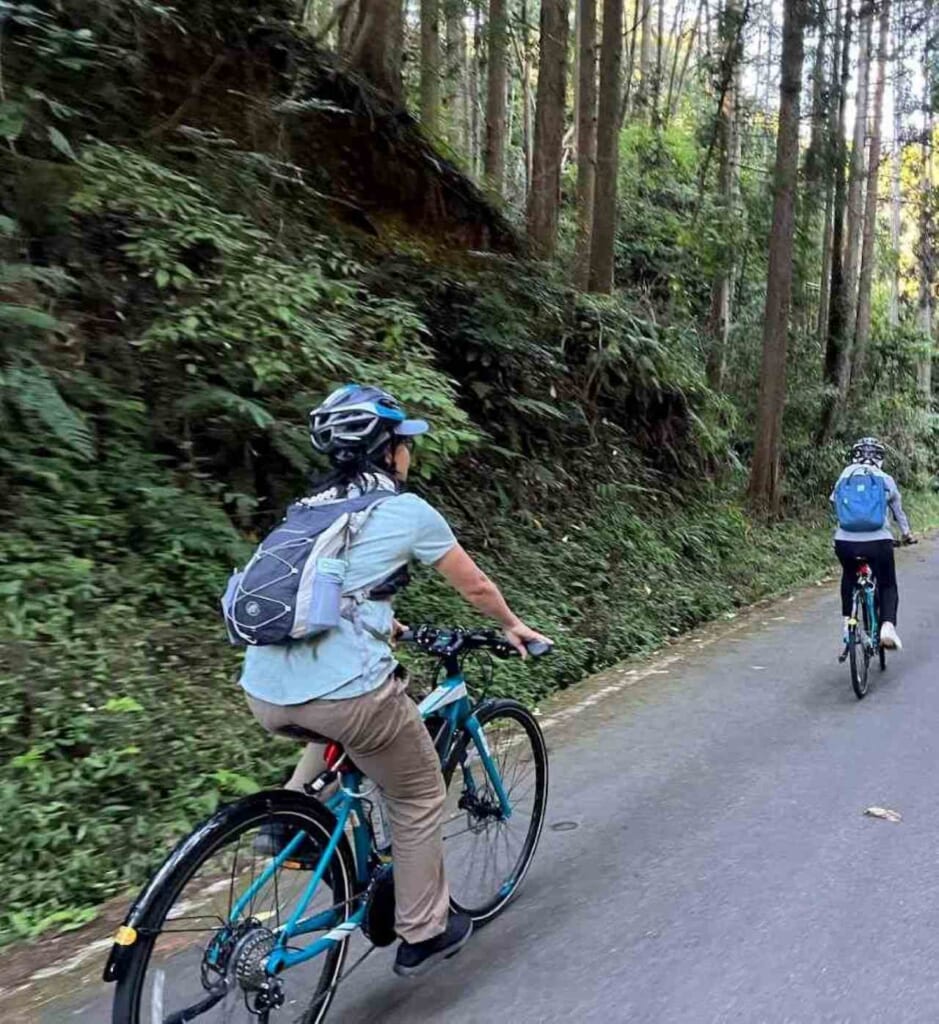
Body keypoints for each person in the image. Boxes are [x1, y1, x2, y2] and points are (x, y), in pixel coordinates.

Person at [238, 383, 550, 977]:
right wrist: (512, 625)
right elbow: (475, 586)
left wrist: (393, 624)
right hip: (346, 696)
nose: (409, 452)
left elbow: (326, 594)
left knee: (330, 716)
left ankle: (292, 819)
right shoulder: (406, 511)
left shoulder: (310, 511)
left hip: (263, 689)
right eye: (403, 442)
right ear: (386, 451)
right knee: (419, 794)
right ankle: (424, 929)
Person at [831, 437, 914, 651]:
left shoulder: (845, 475)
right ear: (880, 459)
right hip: (879, 542)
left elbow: (835, 503)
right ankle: (887, 626)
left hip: (845, 542)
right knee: (887, 584)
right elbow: (898, 512)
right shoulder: (885, 478)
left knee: (849, 576)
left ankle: (847, 623)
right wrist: (906, 534)